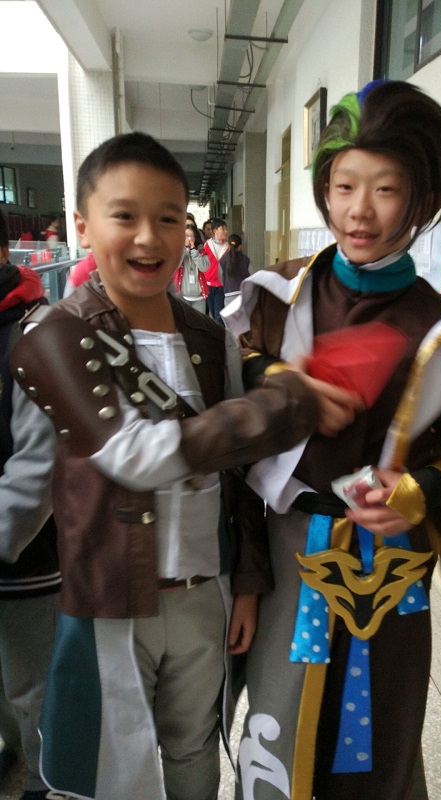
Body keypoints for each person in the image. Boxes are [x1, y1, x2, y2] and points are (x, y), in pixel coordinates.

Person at [9, 131, 357, 800]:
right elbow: (134, 455)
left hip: (207, 591)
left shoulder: (209, 336)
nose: (149, 237)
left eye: (169, 218)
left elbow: (239, 475)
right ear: (82, 225)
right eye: (125, 215)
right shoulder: (53, 336)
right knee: (117, 767)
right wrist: (286, 404)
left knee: (195, 747)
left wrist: (247, 579)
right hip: (113, 599)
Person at [222, 80, 441, 800]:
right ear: (323, 189)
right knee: (278, 717)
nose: (358, 210)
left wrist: (422, 491)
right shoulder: (274, 299)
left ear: (422, 200)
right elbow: (229, 407)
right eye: (343, 186)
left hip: (391, 567)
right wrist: (279, 382)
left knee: (374, 733)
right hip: (286, 549)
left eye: (386, 189)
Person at [0, 208, 65, 800]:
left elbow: (37, 469)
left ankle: (46, 783)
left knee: (32, 689)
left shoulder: (32, 336)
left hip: (26, 560)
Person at [173, 222, 209, 313]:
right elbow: (175, 265)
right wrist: (184, 249)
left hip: (199, 296)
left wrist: (194, 252)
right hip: (182, 296)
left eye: (192, 236)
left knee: (199, 320)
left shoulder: (201, 250)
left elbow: (204, 267)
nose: (189, 239)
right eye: (186, 236)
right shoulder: (177, 250)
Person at [203, 218, 229, 324]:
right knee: (213, 312)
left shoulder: (228, 247)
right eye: (223, 229)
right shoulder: (207, 245)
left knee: (219, 314)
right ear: (215, 231)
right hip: (208, 283)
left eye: (226, 229)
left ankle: (220, 332)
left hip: (222, 284)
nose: (226, 231)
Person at [218, 234, 251, 307]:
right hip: (243, 295)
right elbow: (252, 276)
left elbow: (220, 277)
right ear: (240, 246)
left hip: (229, 295)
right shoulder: (245, 259)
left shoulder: (223, 259)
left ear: (228, 245)